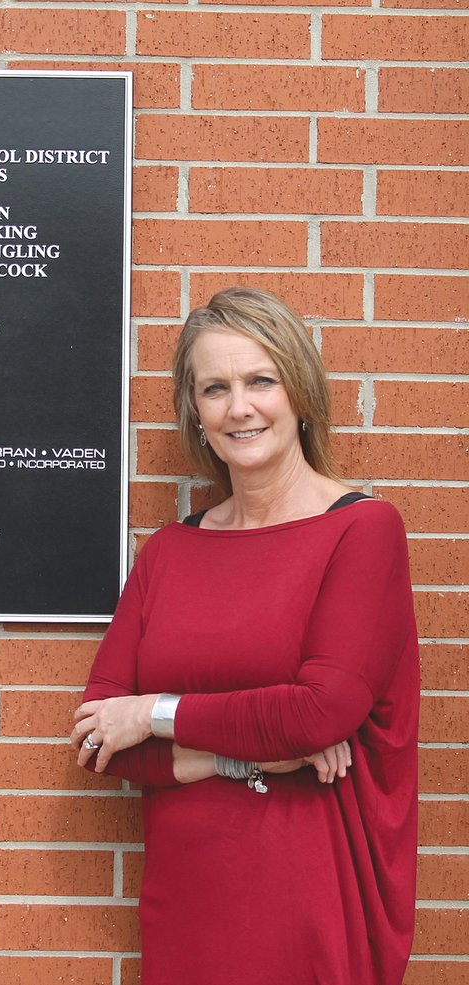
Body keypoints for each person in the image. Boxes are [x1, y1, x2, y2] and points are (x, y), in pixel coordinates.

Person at [70, 286, 419, 985]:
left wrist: (154, 713)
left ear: (300, 393)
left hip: (312, 900)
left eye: (261, 379)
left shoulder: (362, 531)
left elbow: (318, 711)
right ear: (194, 412)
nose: (240, 407)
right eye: (215, 388)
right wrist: (236, 756)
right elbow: (96, 739)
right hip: (188, 903)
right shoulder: (170, 551)